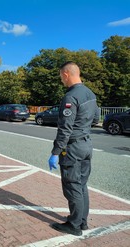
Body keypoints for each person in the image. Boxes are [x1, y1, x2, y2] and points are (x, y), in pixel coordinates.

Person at [48, 61, 100, 236]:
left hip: (73, 148)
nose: (61, 81)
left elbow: (65, 129)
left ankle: (74, 225)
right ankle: (82, 221)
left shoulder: (70, 97)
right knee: (82, 185)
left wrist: (55, 152)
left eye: (60, 77)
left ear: (66, 74)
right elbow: (95, 119)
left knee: (72, 185)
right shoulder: (90, 93)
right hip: (87, 144)